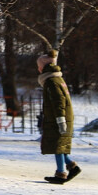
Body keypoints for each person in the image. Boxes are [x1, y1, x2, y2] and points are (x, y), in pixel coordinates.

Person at [38, 50, 78, 183]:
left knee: (57, 145)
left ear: (43, 67)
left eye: (38, 66)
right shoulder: (57, 79)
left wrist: (60, 120)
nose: (37, 68)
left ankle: (61, 173)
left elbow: (58, 101)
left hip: (59, 118)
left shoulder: (51, 81)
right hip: (61, 117)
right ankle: (72, 167)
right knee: (59, 145)